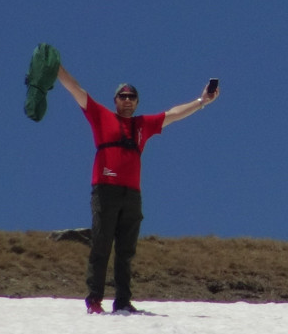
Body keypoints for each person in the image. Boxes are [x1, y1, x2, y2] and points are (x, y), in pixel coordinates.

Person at [57, 65, 220, 314]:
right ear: (115, 100)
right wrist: (56, 68)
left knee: (126, 250)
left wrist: (202, 100)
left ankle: (123, 301)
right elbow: (75, 89)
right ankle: (94, 301)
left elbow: (173, 114)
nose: (127, 100)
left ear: (137, 102)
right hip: (105, 190)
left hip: (132, 195)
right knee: (101, 244)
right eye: (123, 96)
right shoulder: (101, 116)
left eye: (132, 97)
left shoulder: (143, 125)